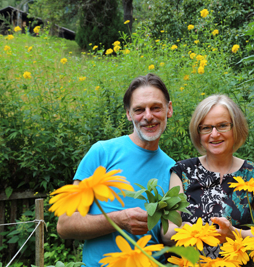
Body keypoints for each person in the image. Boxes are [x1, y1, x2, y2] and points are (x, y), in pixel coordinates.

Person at [57, 73, 175, 267]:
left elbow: (169, 235)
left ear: (168, 109)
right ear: (128, 114)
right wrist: (119, 220)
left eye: (155, 108)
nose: (148, 116)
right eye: (139, 110)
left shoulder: (174, 170)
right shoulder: (102, 153)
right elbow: (65, 225)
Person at [162, 94, 254, 263]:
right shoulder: (182, 172)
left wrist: (234, 234)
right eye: (206, 128)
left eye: (222, 126)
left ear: (236, 128)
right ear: (198, 132)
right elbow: (166, 233)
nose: (214, 134)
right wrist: (184, 231)